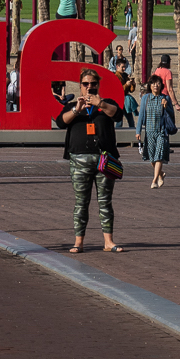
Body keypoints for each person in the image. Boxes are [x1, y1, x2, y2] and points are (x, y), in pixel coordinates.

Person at [57, 68, 124, 254]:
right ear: (80, 86)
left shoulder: (106, 104)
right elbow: (61, 122)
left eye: (93, 84)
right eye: (85, 84)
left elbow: (118, 115)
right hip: (79, 159)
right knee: (81, 203)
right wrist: (76, 110)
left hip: (104, 159)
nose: (89, 87)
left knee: (105, 202)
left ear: (98, 85)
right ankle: (78, 242)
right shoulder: (73, 105)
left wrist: (100, 103)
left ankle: (108, 242)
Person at [137, 73, 174, 187]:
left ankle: (154, 181)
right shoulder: (146, 98)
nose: (155, 86)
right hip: (149, 131)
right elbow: (141, 115)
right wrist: (138, 131)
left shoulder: (165, 98)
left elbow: (172, 116)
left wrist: (166, 107)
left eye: (158, 83)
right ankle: (160, 174)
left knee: (159, 155)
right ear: (150, 85)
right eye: (153, 83)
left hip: (161, 131)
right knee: (152, 157)